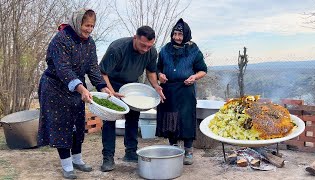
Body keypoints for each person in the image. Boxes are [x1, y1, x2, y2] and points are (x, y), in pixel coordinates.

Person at [37, 9, 111, 179]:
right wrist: (81, 88)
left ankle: (77, 159)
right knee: (61, 125)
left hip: (77, 87)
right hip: (55, 87)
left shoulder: (90, 43)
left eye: (92, 26)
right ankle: (67, 165)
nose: (89, 29)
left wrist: (102, 86)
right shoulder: (61, 39)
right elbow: (63, 69)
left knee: (77, 124)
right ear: (78, 23)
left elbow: (93, 67)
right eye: (87, 25)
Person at [99, 25, 165, 172]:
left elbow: (151, 71)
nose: (146, 49)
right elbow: (102, 72)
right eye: (143, 45)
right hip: (112, 84)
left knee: (133, 118)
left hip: (132, 86)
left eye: (149, 46)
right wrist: (110, 91)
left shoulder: (151, 51)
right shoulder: (118, 48)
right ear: (135, 37)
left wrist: (156, 86)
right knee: (110, 120)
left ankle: (130, 152)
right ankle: (108, 157)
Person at [156, 18, 207, 165]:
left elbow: (203, 70)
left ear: (186, 35)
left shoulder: (193, 50)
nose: (177, 37)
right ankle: (173, 148)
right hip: (169, 89)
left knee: (186, 118)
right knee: (170, 118)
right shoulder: (165, 50)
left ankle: (188, 150)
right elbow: (158, 67)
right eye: (175, 34)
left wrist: (194, 77)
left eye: (180, 34)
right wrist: (160, 75)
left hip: (186, 89)